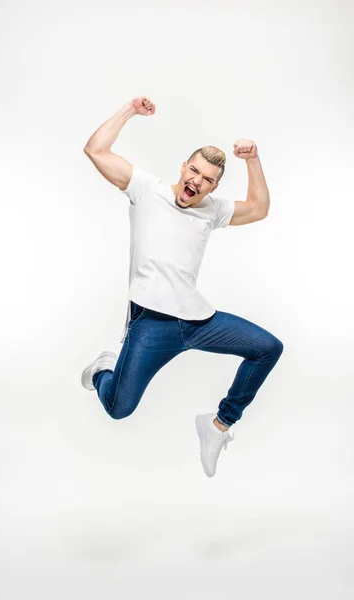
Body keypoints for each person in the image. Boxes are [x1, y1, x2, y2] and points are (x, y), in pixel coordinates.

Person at [81, 96, 284, 477]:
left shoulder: (213, 209)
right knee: (118, 408)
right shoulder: (146, 189)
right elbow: (95, 150)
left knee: (268, 348)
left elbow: (259, 208)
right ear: (183, 167)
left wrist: (252, 160)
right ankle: (102, 371)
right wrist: (129, 111)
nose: (196, 181)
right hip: (151, 325)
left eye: (207, 179)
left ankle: (218, 425)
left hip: (197, 320)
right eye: (194, 171)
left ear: (213, 186)